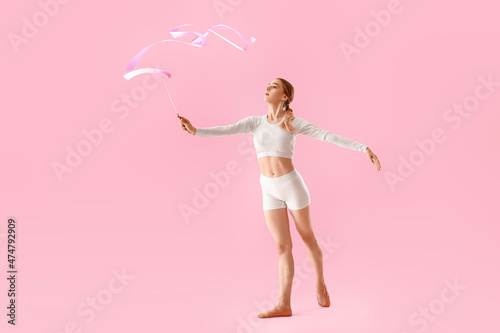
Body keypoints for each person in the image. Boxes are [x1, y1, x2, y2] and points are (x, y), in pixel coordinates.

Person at [179, 78, 382, 318]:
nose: (267, 88)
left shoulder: (292, 122)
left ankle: (320, 284)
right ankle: (284, 304)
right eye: (267, 85)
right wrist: (195, 130)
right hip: (268, 188)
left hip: (292, 186)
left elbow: (326, 135)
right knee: (282, 246)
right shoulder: (254, 123)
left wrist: (363, 148)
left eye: (274, 86)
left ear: (285, 96)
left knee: (308, 240)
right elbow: (226, 129)